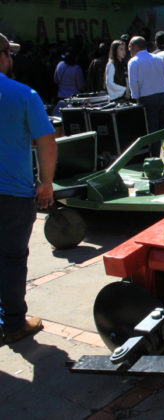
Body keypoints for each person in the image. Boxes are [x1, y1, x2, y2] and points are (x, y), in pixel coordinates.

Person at [0, 33, 57, 344]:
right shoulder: (23, 94)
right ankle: (12, 323)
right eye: (10, 54)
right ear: (3, 56)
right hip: (12, 195)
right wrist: (46, 183)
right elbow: (46, 141)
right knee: (10, 258)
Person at [127, 36, 164, 154]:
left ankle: (156, 159)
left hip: (147, 99)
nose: (129, 49)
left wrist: (136, 98)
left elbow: (133, 83)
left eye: (130, 46)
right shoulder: (158, 59)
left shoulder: (133, 61)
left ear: (136, 47)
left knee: (153, 131)